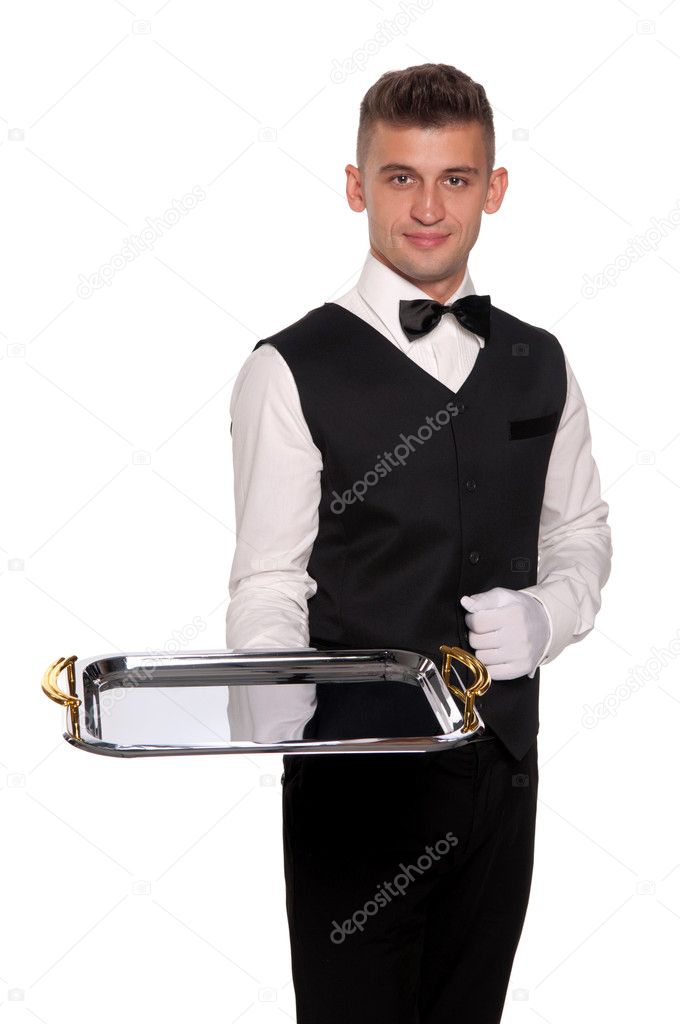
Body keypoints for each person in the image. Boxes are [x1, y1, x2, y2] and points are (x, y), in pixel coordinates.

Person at [225, 63, 612, 1024]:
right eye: (401, 177)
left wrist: (552, 615)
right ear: (358, 187)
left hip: (501, 777)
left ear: (494, 189)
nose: (429, 207)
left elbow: (583, 533)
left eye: (455, 178)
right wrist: (269, 678)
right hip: (353, 790)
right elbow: (270, 577)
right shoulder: (288, 368)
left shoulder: (541, 361)